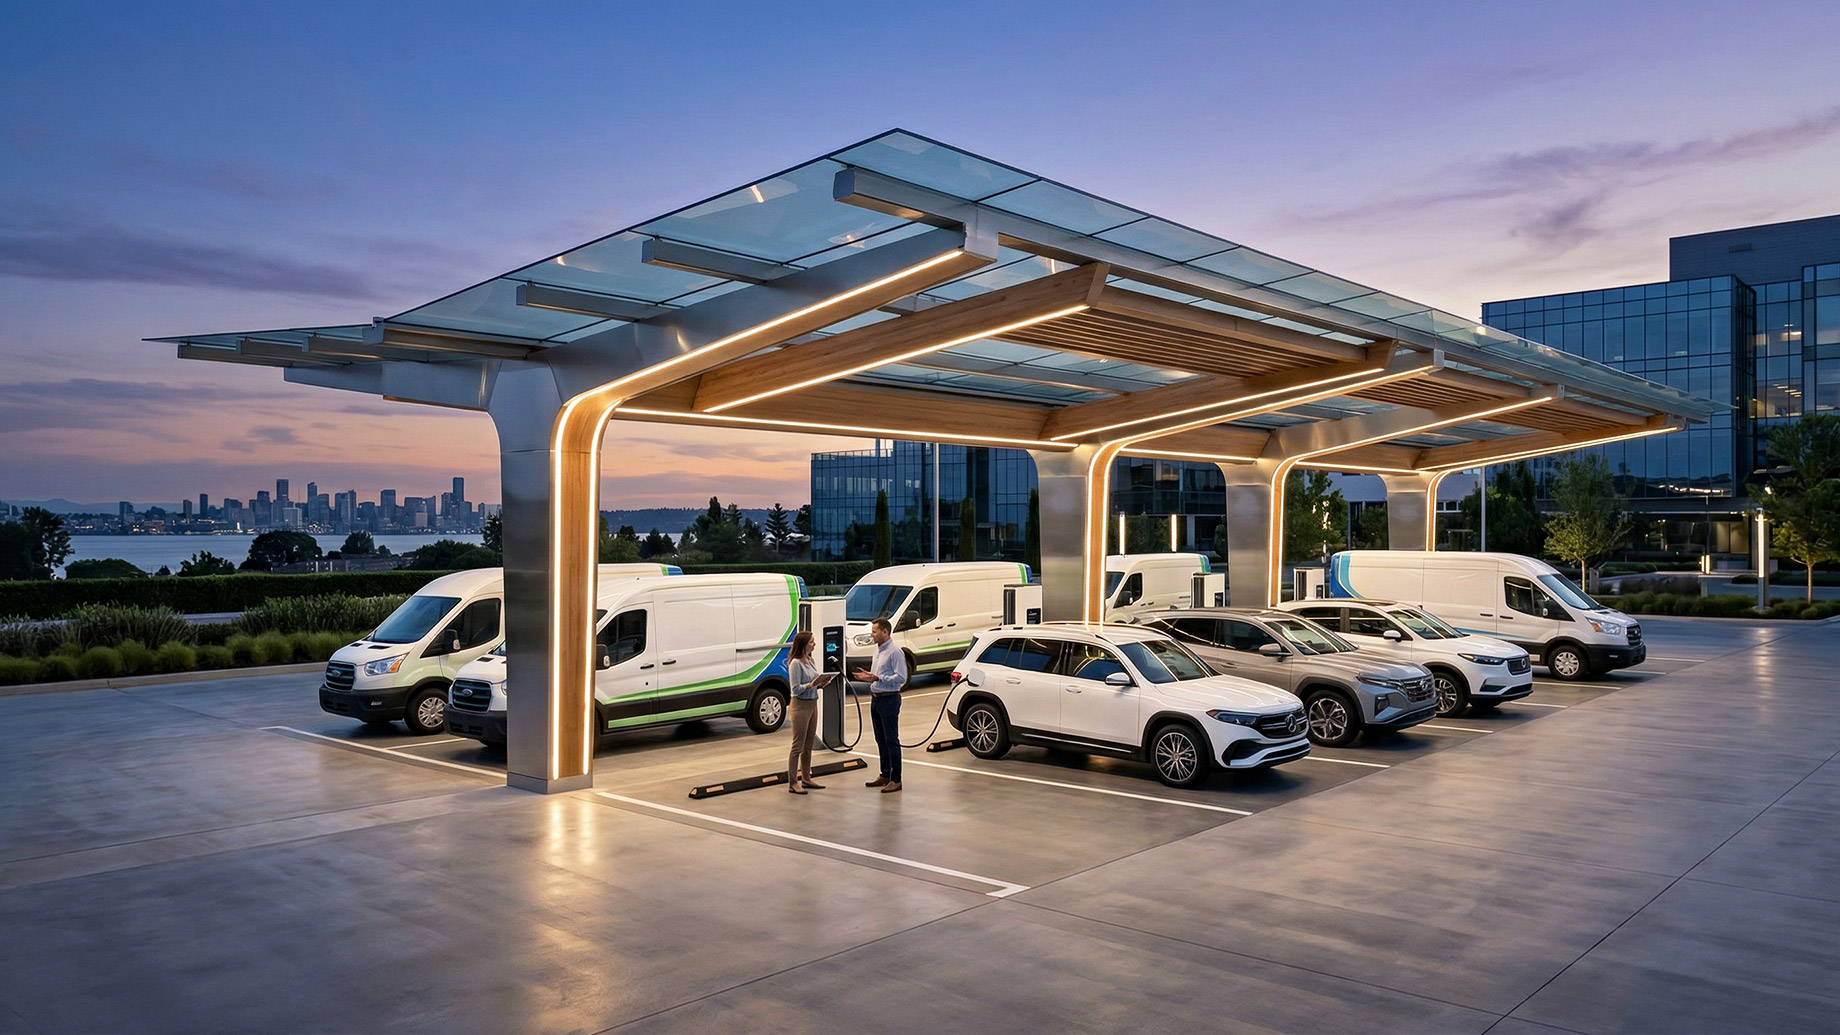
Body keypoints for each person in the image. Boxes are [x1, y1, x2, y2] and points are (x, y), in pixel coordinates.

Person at [851, 617, 905, 793]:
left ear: (885, 632)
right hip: (876, 698)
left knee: (891, 740)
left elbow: (901, 677)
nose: (872, 635)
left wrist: (878, 678)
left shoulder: (895, 652)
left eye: (874, 632)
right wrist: (869, 677)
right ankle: (885, 774)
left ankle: (896, 779)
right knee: (880, 739)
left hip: (889, 699)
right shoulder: (878, 651)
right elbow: (877, 674)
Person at [785, 631, 827, 794]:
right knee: (798, 745)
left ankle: (807, 777)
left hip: (812, 703)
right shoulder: (795, 663)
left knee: (809, 744)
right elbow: (795, 689)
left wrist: (821, 683)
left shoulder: (810, 660)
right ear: (803, 644)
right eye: (811, 642)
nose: (814, 644)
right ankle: (793, 782)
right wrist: (810, 685)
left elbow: (814, 681)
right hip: (800, 706)